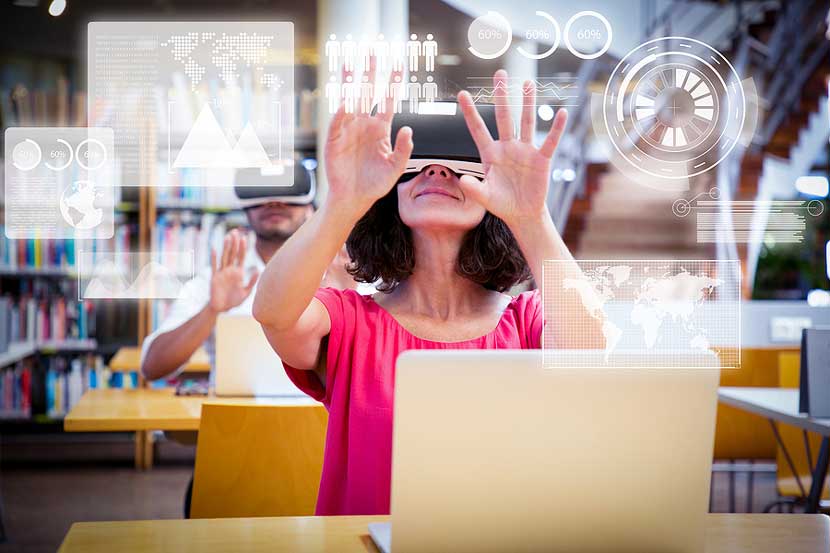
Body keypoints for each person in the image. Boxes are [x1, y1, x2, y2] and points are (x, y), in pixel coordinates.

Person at [252, 70, 605, 516]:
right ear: (391, 197)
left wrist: (532, 217)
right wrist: (343, 202)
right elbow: (273, 314)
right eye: (418, 164)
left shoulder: (528, 320)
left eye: (461, 164)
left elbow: (591, 354)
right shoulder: (346, 321)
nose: (438, 171)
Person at [140, 161, 353, 381]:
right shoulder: (219, 278)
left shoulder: (343, 272)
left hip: (319, 414)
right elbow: (152, 368)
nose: (274, 202)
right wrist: (212, 310)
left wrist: (340, 300)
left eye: (288, 196)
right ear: (246, 209)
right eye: (262, 197)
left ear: (310, 207)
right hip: (238, 413)